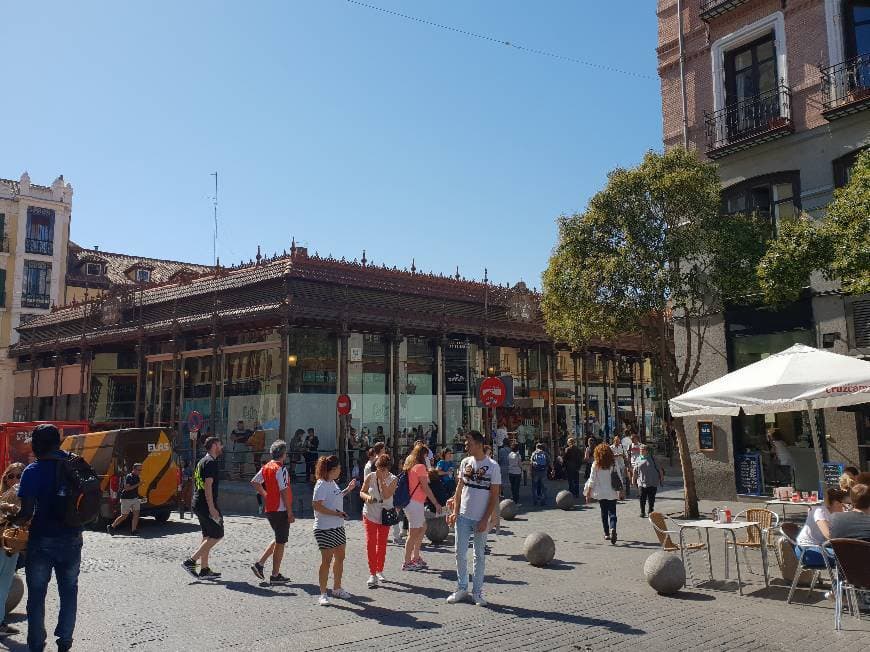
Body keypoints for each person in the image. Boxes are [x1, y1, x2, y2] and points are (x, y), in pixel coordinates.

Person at [13, 424, 83, 652]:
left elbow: (26, 512)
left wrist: (11, 523)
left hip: (42, 539)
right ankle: (65, 642)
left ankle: (36, 644)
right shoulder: (75, 465)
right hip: (72, 537)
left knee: (36, 594)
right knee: (69, 591)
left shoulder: (32, 471)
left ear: (37, 444)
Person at [446, 430, 501, 607]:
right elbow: (460, 488)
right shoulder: (465, 462)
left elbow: (494, 495)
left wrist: (486, 519)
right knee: (459, 553)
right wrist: (455, 510)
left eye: (468, 442)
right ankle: (462, 587)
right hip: (463, 516)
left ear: (478, 444)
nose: (465, 445)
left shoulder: (493, 466)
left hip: (480, 518)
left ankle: (477, 592)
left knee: (479, 556)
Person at [312, 455, 357, 605]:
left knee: (340, 557)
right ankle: (323, 593)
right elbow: (317, 506)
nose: (340, 470)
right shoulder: (321, 484)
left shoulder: (332, 483)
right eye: (339, 468)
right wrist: (336, 514)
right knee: (327, 560)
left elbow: (335, 497)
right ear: (332, 470)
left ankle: (337, 588)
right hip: (324, 527)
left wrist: (347, 490)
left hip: (338, 526)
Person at [250, 440, 295, 585]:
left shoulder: (266, 467)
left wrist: (265, 494)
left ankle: (260, 564)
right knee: (281, 542)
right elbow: (284, 491)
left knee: (278, 538)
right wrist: (289, 512)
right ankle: (275, 575)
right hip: (280, 509)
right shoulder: (280, 469)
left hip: (270, 508)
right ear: (283, 454)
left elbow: (254, 481)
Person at [182, 437, 225, 580]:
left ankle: (204, 569)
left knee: (207, 536)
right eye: (219, 444)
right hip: (206, 504)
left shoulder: (202, 461)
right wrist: (212, 508)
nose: (221, 447)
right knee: (218, 534)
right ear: (213, 446)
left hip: (198, 503)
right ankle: (191, 561)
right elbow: (208, 486)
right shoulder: (211, 463)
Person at [402, 444, 443, 571]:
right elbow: (426, 487)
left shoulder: (412, 465)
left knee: (422, 527)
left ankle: (415, 556)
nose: (429, 457)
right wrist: (435, 503)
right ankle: (407, 562)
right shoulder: (420, 467)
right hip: (415, 503)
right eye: (427, 455)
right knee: (413, 533)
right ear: (423, 455)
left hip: (413, 503)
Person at [359, 453, 397, 588]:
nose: (380, 471)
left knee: (381, 544)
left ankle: (379, 569)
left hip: (385, 513)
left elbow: (387, 495)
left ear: (388, 468)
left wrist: (381, 481)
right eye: (378, 468)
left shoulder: (393, 479)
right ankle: (372, 573)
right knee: (371, 542)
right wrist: (367, 497)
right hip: (369, 513)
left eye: (383, 469)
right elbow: (361, 492)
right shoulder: (370, 476)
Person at [0, 462, 24, 636]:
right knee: (2, 585)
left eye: (19, 476)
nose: (15, 479)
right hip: (4, 545)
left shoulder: (23, 496)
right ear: (5, 478)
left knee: (4, 585)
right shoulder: (7, 496)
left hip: (11, 545)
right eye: (11, 476)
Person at [584, 443, 622, 544]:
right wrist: (621, 490)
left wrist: (588, 493)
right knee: (613, 513)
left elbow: (592, 480)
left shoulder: (596, 464)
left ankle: (606, 533)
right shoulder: (613, 463)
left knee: (604, 513)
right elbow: (619, 477)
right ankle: (613, 528)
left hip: (601, 493)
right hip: (612, 492)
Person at [108, 462, 143, 535]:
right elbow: (127, 488)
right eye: (139, 470)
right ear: (134, 469)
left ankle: (134, 530)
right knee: (124, 515)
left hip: (134, 498)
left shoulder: (138, 477)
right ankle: (111, 526)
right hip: (126, 499)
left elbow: (135, 489)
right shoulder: (129, 476)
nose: (140, 471)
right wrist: (138, 484)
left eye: (141, 470)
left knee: (136, 514)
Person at [632, 444, 664, 517]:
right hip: (641, 482)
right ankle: (642, 512)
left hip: (652, 481)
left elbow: (660, 469)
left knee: (651, 498)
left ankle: (650, 510)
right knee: (642, 497)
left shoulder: (653, 458)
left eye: (642, 450)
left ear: (647, 451)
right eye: (640, 450)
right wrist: (633, 480)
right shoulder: (638, 458)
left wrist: (661, 478)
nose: (641, 451)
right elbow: (635, 471)